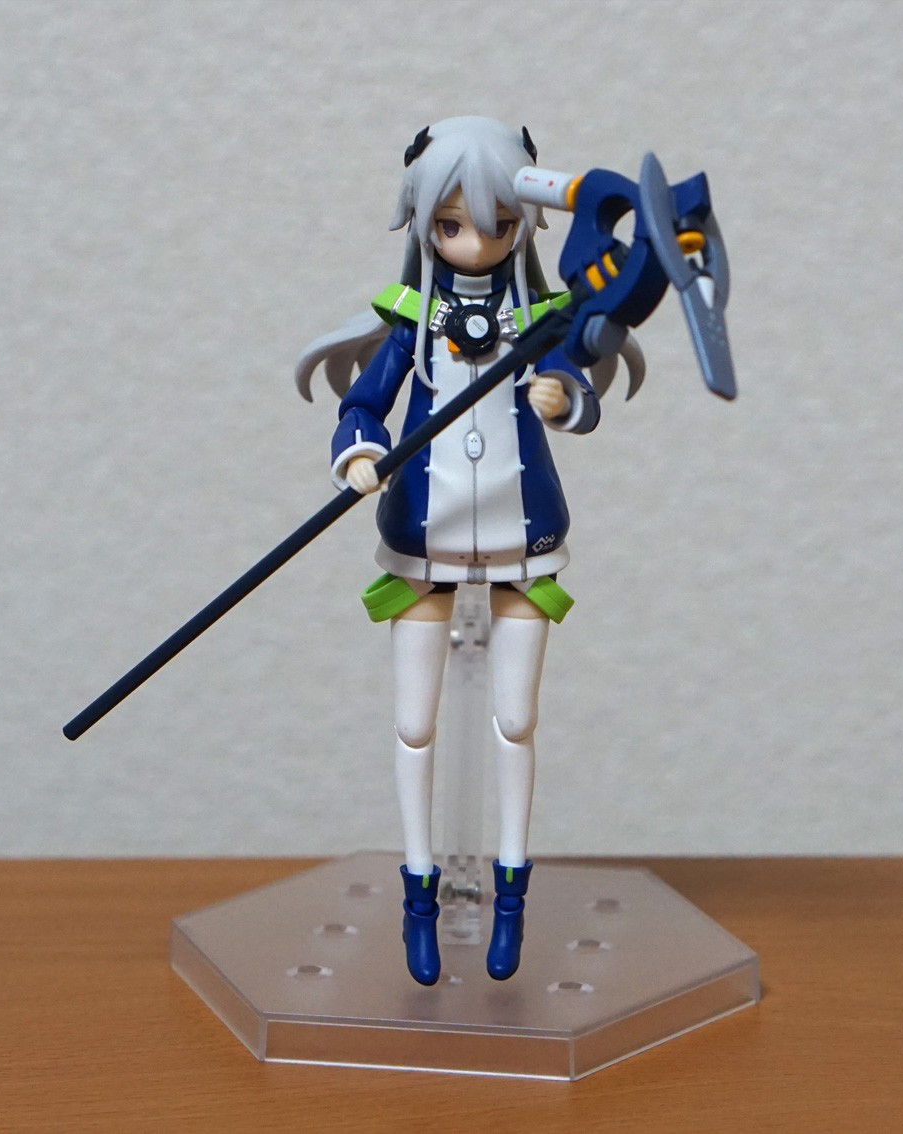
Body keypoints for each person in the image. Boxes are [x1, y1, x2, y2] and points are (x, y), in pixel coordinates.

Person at [294, 116, 642, 984]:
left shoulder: (544, 318)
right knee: (416, 726)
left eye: (497, 224)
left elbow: (578, 384)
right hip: (423, 536)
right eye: (452, 224)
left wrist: (563, 397)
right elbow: (361, 405)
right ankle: (419, 894)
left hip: (525, 534)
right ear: (424, 222)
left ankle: (511, 894)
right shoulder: (411, 319)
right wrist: (360, 453)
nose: (475, 242)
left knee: (516, 721)